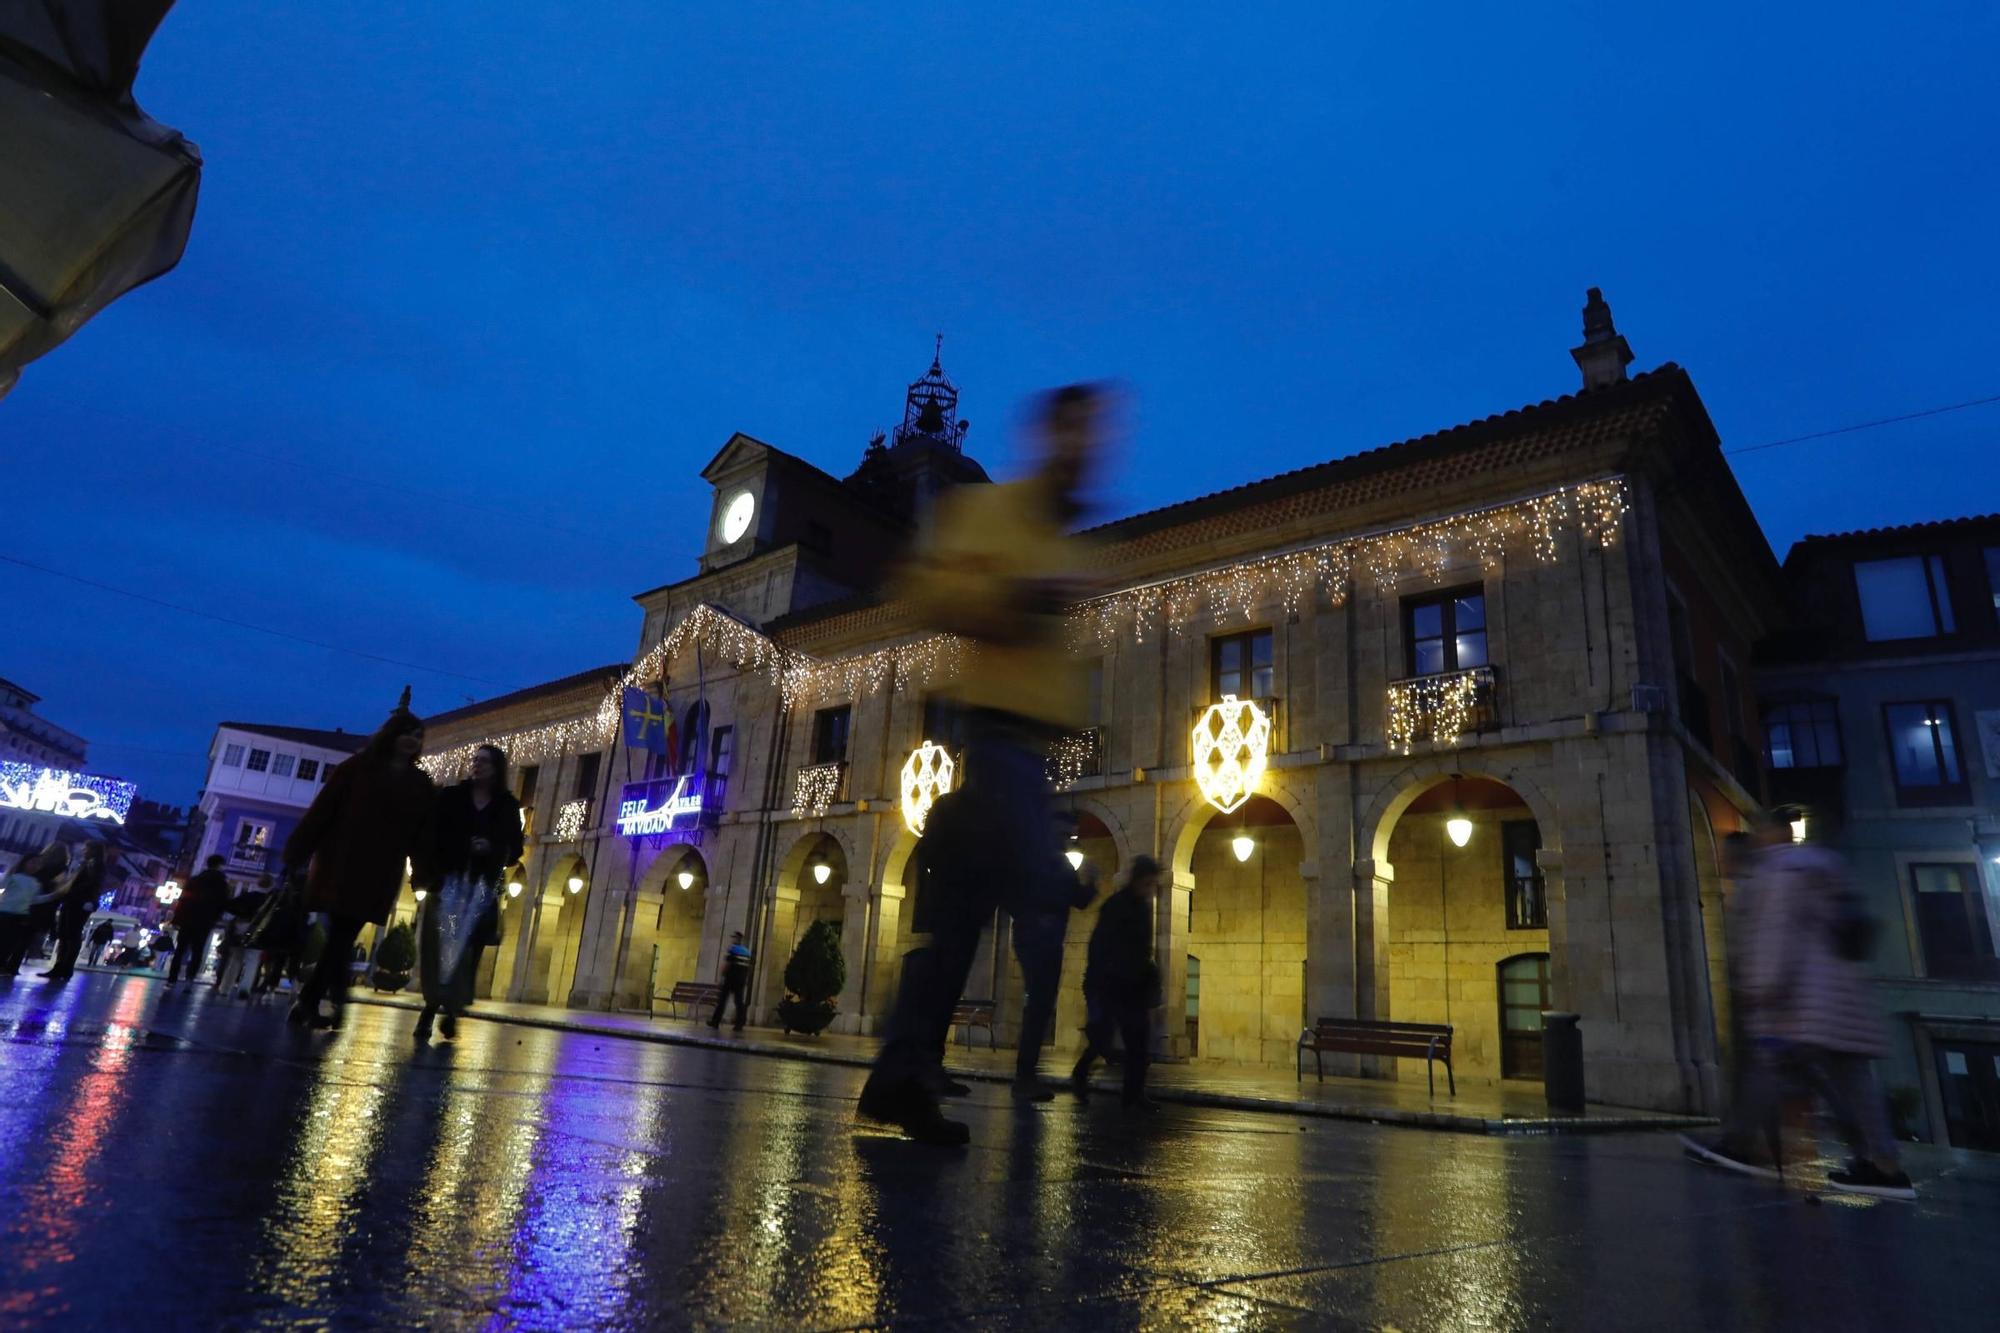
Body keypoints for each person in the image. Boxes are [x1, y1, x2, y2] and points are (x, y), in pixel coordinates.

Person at [857, 383, 1107, 1144]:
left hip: (1029, 753)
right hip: (999, 743)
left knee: (961, 917)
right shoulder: (990, 512)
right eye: (1075, 432)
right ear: (1050, 435)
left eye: (1094, 436)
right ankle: (916, 1067)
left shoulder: (1068, 541)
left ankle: (903, 1071)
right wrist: (1015, 599)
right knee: (1028, 887)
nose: (1086, 449)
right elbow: (928, 590)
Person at [1682, 809, 1915, 1200]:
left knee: (1769, 1068)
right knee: (1851, 1083)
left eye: (1759, 833)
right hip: (1842, 995)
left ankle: (1739, 1144)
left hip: (1803, 1001)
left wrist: (1760, 989)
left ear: (1770, 835)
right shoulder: (1825, 864)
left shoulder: (1781, 873)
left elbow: (1776, 934)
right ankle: (1883, 1164)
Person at [282, 688, 437, 1031]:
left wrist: (422, 871)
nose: (412, 740)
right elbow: (323, 810)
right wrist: (298, 850)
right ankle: (328, 1000)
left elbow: (421, 833)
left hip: (380, 870)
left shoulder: (419, 783)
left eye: (418, 736)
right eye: (407, 733)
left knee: (342, 936)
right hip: (342, 862)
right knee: (341, 934)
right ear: (392, 736)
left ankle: (314, 1001)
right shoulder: (357, 768)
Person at [413, 743, 522, 1042]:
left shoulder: (507, 806)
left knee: (469, 949)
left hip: (481, 889)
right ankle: (430, 1008)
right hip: (449, 882)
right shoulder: (452, 797)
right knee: (442, 947)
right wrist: (463, 848)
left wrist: (492, 848)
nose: (477, 765)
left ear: (497, 767)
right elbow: (435, 835)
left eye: (485, 761)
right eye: (475, 760)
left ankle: (451, 1010)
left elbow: (516, 848)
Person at [1010, 815, 1098, 1100]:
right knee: (1038, 1004)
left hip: (1045, 938)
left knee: (1041, 1004)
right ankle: (1024, 1077)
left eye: (1071, 835)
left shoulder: (1056, 863)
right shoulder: (1040, 861)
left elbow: (1079, 899)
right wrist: (1033, 918)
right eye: (1066, 834)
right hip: (1038, 938)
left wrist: (1091, 883)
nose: (1069, 839)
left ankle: (1026, 1074)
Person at [1070, 855, 1163, 1108]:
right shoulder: (1115, 906)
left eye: (1153, 885)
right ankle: (1081, 1074)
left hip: (1133, 987)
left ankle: (1133, 1096)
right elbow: (1100, 947)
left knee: (1138, 1043)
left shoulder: (1142, 909)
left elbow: (1143, 950)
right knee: (1102, 1040)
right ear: (1136, 880)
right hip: (1111, 984)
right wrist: (1102, 983)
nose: (1151, 890)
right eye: (1148, 884)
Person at [39, 838, 105, 982]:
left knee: (70, 934)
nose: (83, 851)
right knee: (66, 934)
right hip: (75, 901)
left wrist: (70, 891)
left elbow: (91, 884)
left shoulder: (94, 865)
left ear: (93, 851)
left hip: (78, 902)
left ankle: (64, 967)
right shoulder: (89, 864)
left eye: (86, 848)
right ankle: (62, 967)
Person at [1, 845, 67, 975]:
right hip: (12, 913)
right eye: (33, 863)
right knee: (10, 941)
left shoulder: (34, 881)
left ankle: (4, 963)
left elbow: (34, 898)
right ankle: (7, 964)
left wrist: (51, 896)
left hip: (16, 913)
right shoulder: (18, 878)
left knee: (10, 941)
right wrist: (53, 895)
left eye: (38, 864)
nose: (36, 866)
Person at [168, 854, 231, 985]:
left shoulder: (195, 880)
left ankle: (172, 979)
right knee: (198, 950)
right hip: (205, 920)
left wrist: (176, 919)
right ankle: (189, 979)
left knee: (180, 949)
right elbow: (223, 902)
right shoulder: (221, 882)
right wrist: (216, 917)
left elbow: (183, 900)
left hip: (188, 918)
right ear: (219, 866)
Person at [216, 876, 274, 998]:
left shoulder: (248, 896)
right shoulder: (270, 901)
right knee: (252, 961)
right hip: (259, 931)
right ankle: (244, 989)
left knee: (236, 959)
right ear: (270, 886)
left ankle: (225, 988)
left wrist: (240, 915)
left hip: (241, 927)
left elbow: (229, 905)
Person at [709, 932, 752, 1031]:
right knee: (739, 1002)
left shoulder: (733, 949)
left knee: (722, 1000)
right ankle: (739, 1024)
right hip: (740, 980)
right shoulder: (747, 952)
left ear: (737, 939)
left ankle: (715, 1021)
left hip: (730, 979)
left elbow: (727, 964)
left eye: (734, 938)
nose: (733, 940)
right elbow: (748, 967)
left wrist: (721, 977)